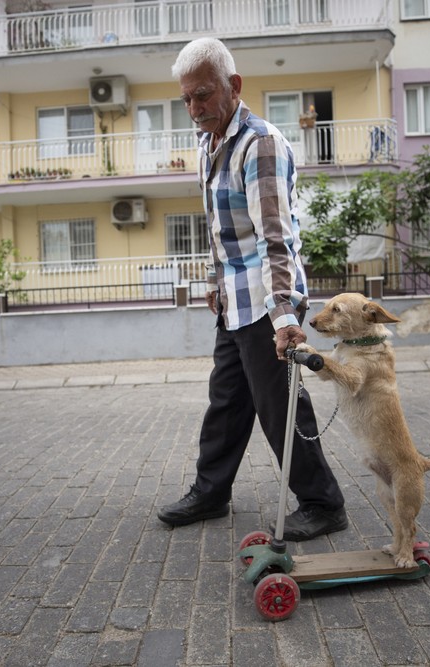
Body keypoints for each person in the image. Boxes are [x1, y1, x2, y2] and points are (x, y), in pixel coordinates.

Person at [156, 37, 347, 541]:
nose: (194, 109)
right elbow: (221, 227)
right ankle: (211, 493)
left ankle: (323, 503)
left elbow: (275, 238)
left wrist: (285, 317)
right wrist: (215, 282)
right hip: (232, 301)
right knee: (227, 401)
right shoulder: (208, 144)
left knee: (278, 406)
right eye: (187, 100)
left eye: (203, 95)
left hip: (266, 301)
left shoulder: (260, 143)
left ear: (233, 86)